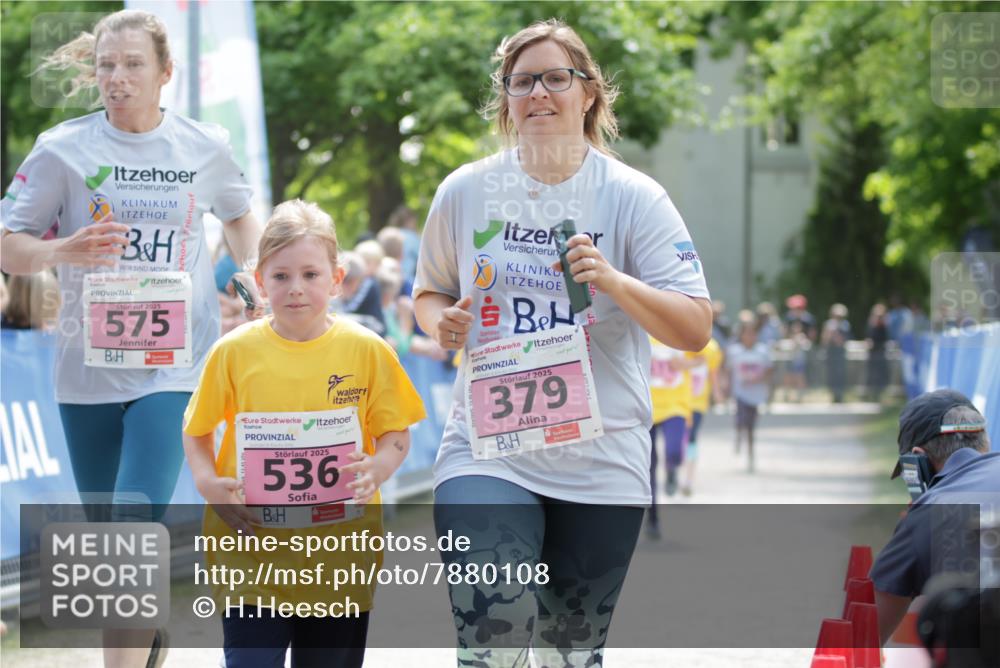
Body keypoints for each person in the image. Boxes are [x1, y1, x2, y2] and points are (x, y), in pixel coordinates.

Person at [413, 19, 711, 666]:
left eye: (555, 78)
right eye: (521, 82)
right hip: (487, 450)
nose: (538, 94)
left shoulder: (634, 198)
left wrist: (611, 280)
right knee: (493, 632)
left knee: (568, 655)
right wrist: (440, 323)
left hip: (600, 462)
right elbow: (430, 292)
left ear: (589, 93)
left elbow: (694, 326)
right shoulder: (464, 190)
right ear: (505, 99)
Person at [0, 10, 260, 667]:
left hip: (174, 367)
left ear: (166, 73)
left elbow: (237, 215)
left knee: (129, 527)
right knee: (106, 546)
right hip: (85, 369)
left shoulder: (204, 144)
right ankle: (145, 643)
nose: (117, 78)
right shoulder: (62, 148)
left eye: (134, 65)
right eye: (107, 66)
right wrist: (64, 247)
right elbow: (8, 243)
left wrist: (251, 274)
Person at [183, 199, 426, 668]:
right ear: (260, 282)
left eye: (311, 275)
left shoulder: (368, 351)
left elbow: (396, 434)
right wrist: (207, 482)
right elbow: (196, 431)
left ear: (337, 280)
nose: (296, 289)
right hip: (250, 553)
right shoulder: (232, 352)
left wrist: (377, 467)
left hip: (339, 558)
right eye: (280, 276)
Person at [869, 389, 999, 646]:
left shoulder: (930, 512)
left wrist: (916, 525)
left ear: (917, 460)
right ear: (985, 442)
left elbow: (865, 635)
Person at [724, 314, 773, 473]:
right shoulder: (734, 351)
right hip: (740, 393)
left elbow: (769, 370)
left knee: (751, 425)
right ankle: (739, 436)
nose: (750, 337)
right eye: (746, 333)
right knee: (741, 419)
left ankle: (751, 455)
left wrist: (759, 378)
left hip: (756, 395)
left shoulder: (763, 351)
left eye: (753, 333)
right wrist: (726, 388)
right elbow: (728, 371)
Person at [680, 336, 723, 495]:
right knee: (679, 439)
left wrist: (717, 393)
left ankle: (688, 479)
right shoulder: (679, 343)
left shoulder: (712, 348)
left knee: (691, 438)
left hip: (698, 403)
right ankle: (677, 474)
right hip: (679, 402)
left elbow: (713, 373)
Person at [821, 303, 851, 403]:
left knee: (840, 375)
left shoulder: (845, 325)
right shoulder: (828, 325)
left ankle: (840, 395)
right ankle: (833, 395)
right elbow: (824, 340)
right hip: (831, 353)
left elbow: (843, 341)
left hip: (840, 354)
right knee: (831, 375)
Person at [866, 302, 890, 402]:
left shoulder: (884, 327)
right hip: (872, 354)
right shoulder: (871, 326)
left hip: (880, 353)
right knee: (872, 375)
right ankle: (872, 394)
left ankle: (879, 395)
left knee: (880, 375)